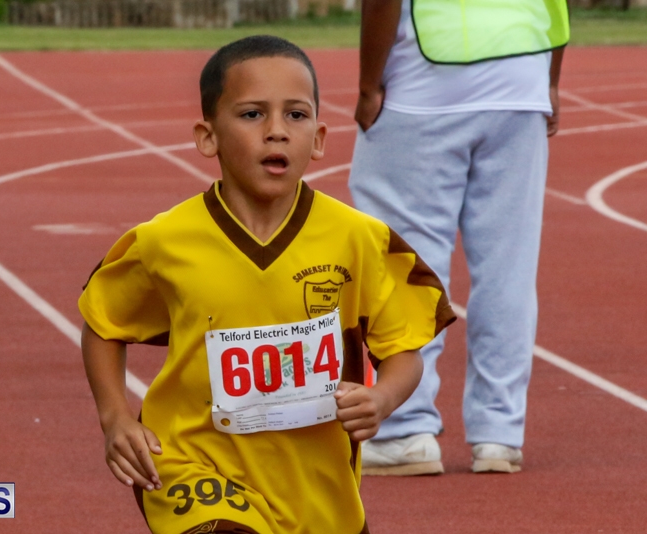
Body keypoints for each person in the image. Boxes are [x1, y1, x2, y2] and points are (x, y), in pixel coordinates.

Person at [79, 35, 454, 534]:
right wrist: (115, 418)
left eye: (296, 115)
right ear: (208, 136)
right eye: (253, 114)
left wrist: (383, 398)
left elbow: (404, 350)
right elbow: (103, 322)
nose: (276, 131)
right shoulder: (163, 242)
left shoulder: (360, 240)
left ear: (319, 139)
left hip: (317, 490)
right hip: (191, 465)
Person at [350, 0, 568, 476]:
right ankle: (499, 434)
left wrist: (369, 86)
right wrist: (549, 79)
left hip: (424, 83)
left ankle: (404, 429)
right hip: (522, 78)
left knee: (406, 264)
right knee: (509, 268)